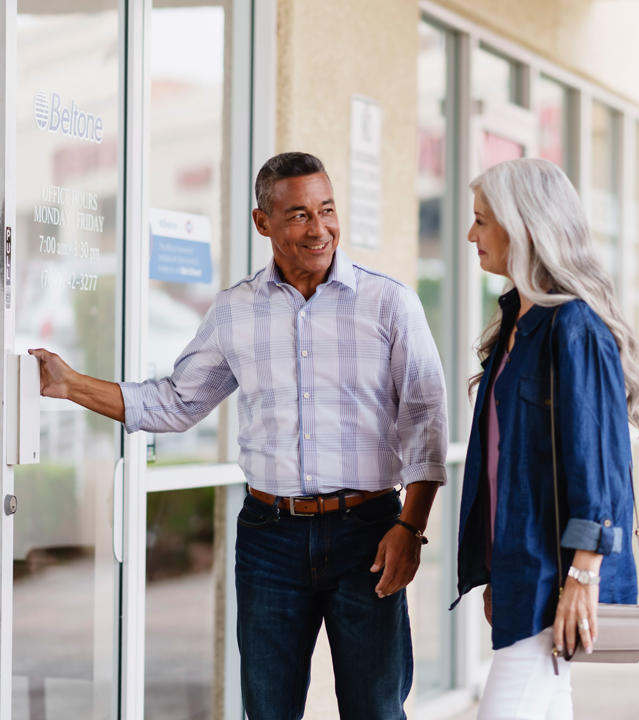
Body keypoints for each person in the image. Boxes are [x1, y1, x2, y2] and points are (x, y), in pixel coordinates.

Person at [30, 151, 448, 720]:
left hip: (368, 535)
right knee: (267, 711)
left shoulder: (390, 303)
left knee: (375, 709)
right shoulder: (236, 311)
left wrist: (411, 528)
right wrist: (72, 384)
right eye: (298, 215)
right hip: (269, 540)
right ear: (263, 222)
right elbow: (176, 403)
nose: (319, 228)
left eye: (326, 210)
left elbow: (426, 421)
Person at [452, 157, 639, 719]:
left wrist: (583, 575)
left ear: (524, 225)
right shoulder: (517, 322)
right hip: (522, 573)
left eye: (482, 221)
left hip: (553, 579)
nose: (471, 234)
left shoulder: (574, 327)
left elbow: (601, 466)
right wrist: (494, 570)